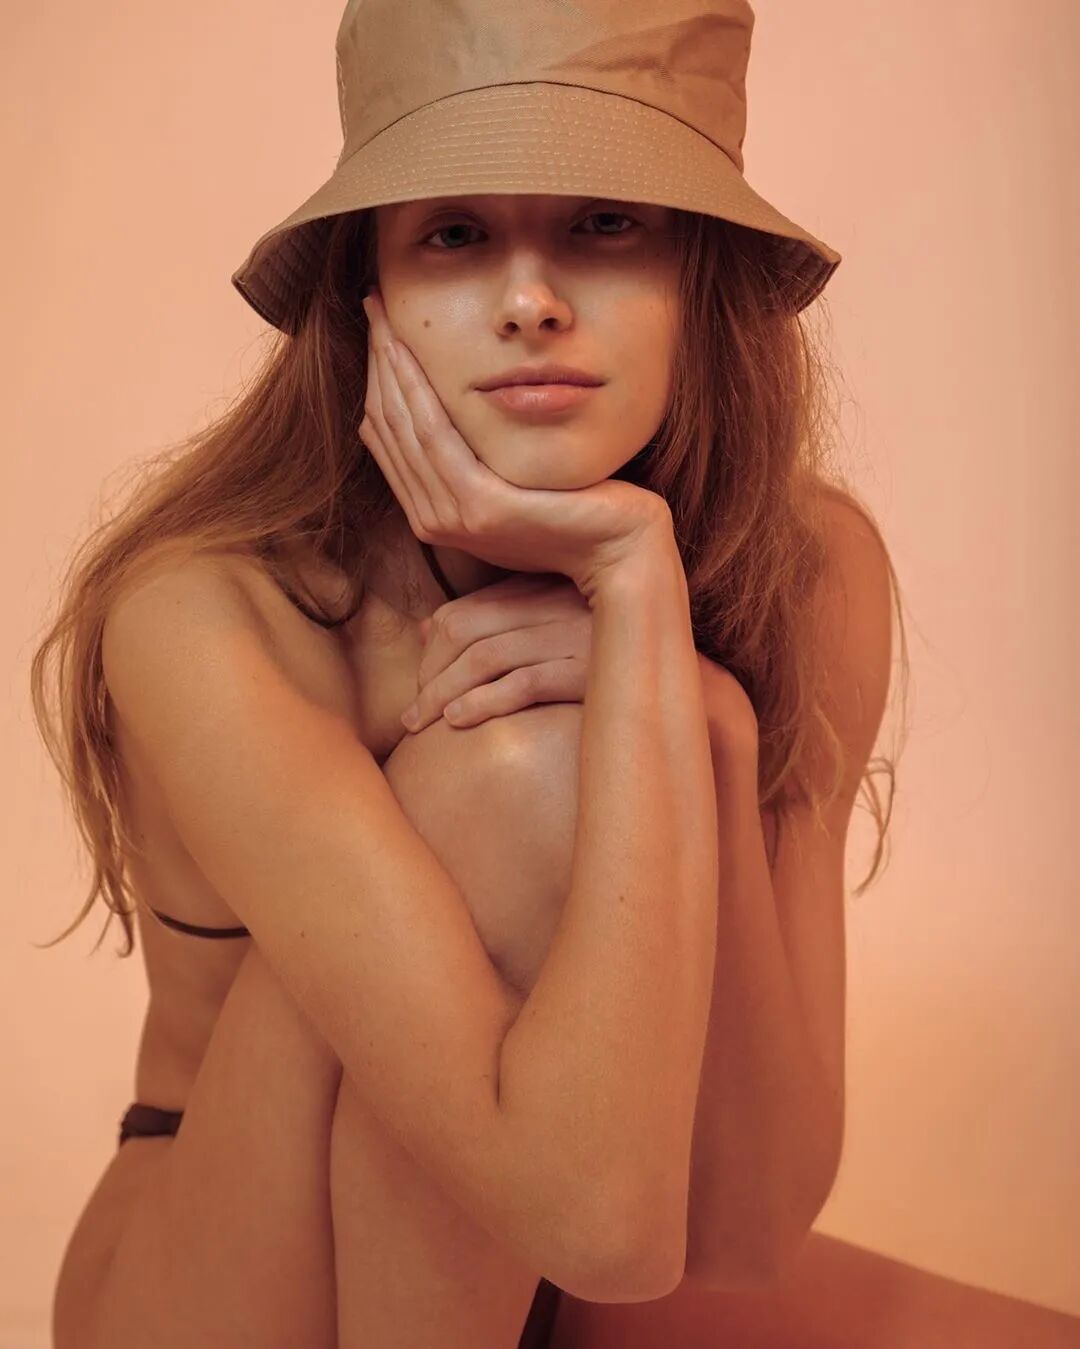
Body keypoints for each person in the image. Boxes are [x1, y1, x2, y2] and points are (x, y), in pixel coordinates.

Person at [34, 1, 908, 1346]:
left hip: (566, 1240)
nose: (529, 301)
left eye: (606, 221)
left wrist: (691, 695)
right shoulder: (211, 606)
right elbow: (602, 1221)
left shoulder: (808, 569)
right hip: (230, 1274)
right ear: (369, 293)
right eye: (454, 233)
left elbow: (741, 1232)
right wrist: (612, 653)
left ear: (701, 273)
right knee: (518, 766)